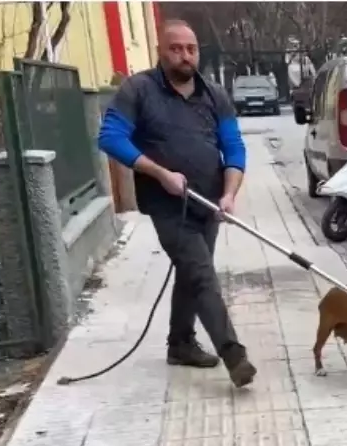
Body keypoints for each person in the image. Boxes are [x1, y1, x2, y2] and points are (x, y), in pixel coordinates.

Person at [97, 19, 256, 387]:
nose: (185, 56)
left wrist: (229, 193)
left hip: (209, 201)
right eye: (176, 48)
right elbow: (110, 137)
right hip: (167, 204)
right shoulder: (138, 90)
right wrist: (160, 173)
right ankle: (234, 354)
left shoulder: (214, 95)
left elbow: (233, 148)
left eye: (191, 48)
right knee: (201, 274)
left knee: (191, 273)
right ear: (160, 51)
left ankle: (180, 342)